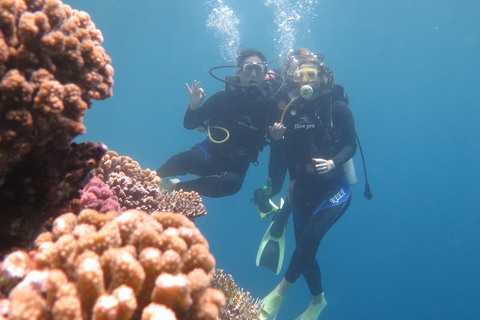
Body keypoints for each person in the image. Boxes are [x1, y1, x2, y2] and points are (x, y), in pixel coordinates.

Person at [259, 48, 357, 320]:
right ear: (292, 77)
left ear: (322, 78)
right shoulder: (289, 111)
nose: (306, 80)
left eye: (311, 74)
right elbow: (285, 154)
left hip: (334, 187)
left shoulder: (336, 108)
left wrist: (335, 162)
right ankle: (318, 301)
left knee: (311, 238)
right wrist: (277, 141)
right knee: (304, 249)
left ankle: (278, 294)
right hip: (302, 186)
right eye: (300, 74)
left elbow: (351, 144)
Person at [156, 49, 275, 198]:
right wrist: (193, 107)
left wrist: (276, 135)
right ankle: (149, 179)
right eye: (248, 68)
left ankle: (175, 188)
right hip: (209, 153)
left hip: (236, 168)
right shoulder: (224, 97)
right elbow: (190, 124)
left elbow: (277, 137)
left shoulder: (269, 106)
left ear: (265, 74)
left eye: (258, 69)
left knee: (232, 184)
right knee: (181, 161)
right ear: (239, 72)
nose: (253, 74)